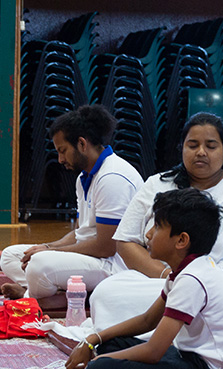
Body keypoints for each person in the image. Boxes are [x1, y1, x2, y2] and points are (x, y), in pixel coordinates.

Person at [89, 113, 223, 353]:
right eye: (193, 145)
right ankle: (150, 342)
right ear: (182, 149)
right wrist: (167, 276)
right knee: (107, 293)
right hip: (159, 284)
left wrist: (215, 275)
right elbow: (125, 241)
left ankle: (184, 346)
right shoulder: (157, 184)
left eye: (210, 146)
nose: (201, 152)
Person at [65, 189, 223, 369]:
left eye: (157, 227)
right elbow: (147, 320)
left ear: (181, 240)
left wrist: (97, 363)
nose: (148, 234)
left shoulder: (192, 279)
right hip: (191, 359)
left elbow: (153, 352)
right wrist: (93, 339)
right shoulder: (186, 271)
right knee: (110, 344)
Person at [1, 105, 141, 299]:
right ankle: (45, 292)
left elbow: (107, 247)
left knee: (39, 264)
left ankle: (38, 297)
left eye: (63, 150)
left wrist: (50, 251)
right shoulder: (84, 177)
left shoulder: (112, 177)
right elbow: (80, 233)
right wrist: (47, 247)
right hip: (92, 257)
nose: (60, 159)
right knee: (10, 256)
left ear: (82, 144)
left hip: (113, 265)